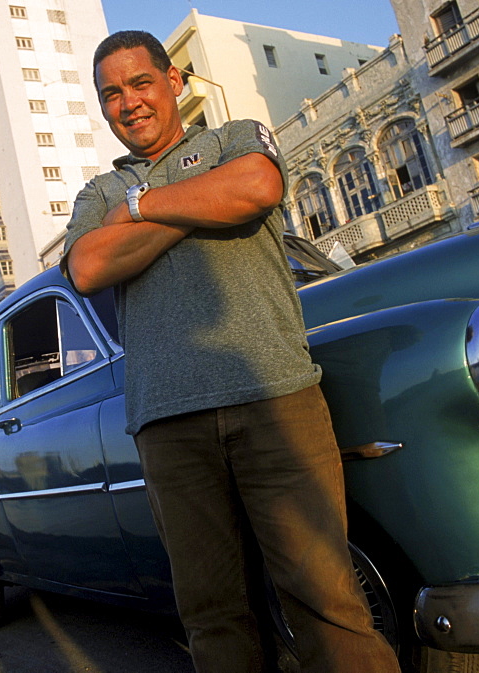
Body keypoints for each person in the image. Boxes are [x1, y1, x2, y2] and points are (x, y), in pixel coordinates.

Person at [61, 30, 400, 673]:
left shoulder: (231, 139)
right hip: (167, 424)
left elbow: (253, 188)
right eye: (112, 94)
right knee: (214, 616)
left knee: (328, 600)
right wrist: (198, 202)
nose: (129, 102)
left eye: (140, 83)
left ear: (174, 83)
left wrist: (141, 209)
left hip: (276, 399)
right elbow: (87, 265)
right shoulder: (97, 195)